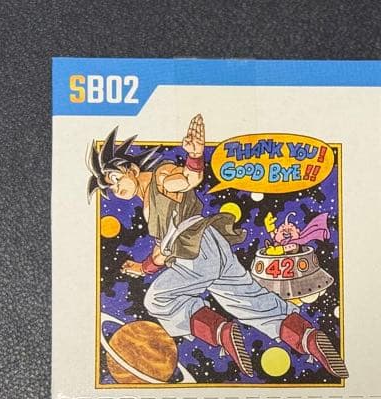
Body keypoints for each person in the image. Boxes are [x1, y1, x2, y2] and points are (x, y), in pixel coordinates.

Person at [88, 116, 347, 378]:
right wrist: (143, 268)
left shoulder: (160, 177)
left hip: (195, 251)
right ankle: (308, 338)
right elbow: (163, 252)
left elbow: (188, 179)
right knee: (251, 302)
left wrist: (195, 156)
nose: (116, 188)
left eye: (115, 178)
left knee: (157, 299)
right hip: (212, 246)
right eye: (110, 187)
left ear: (131, 168)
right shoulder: (148, 202)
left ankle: (220, 332)